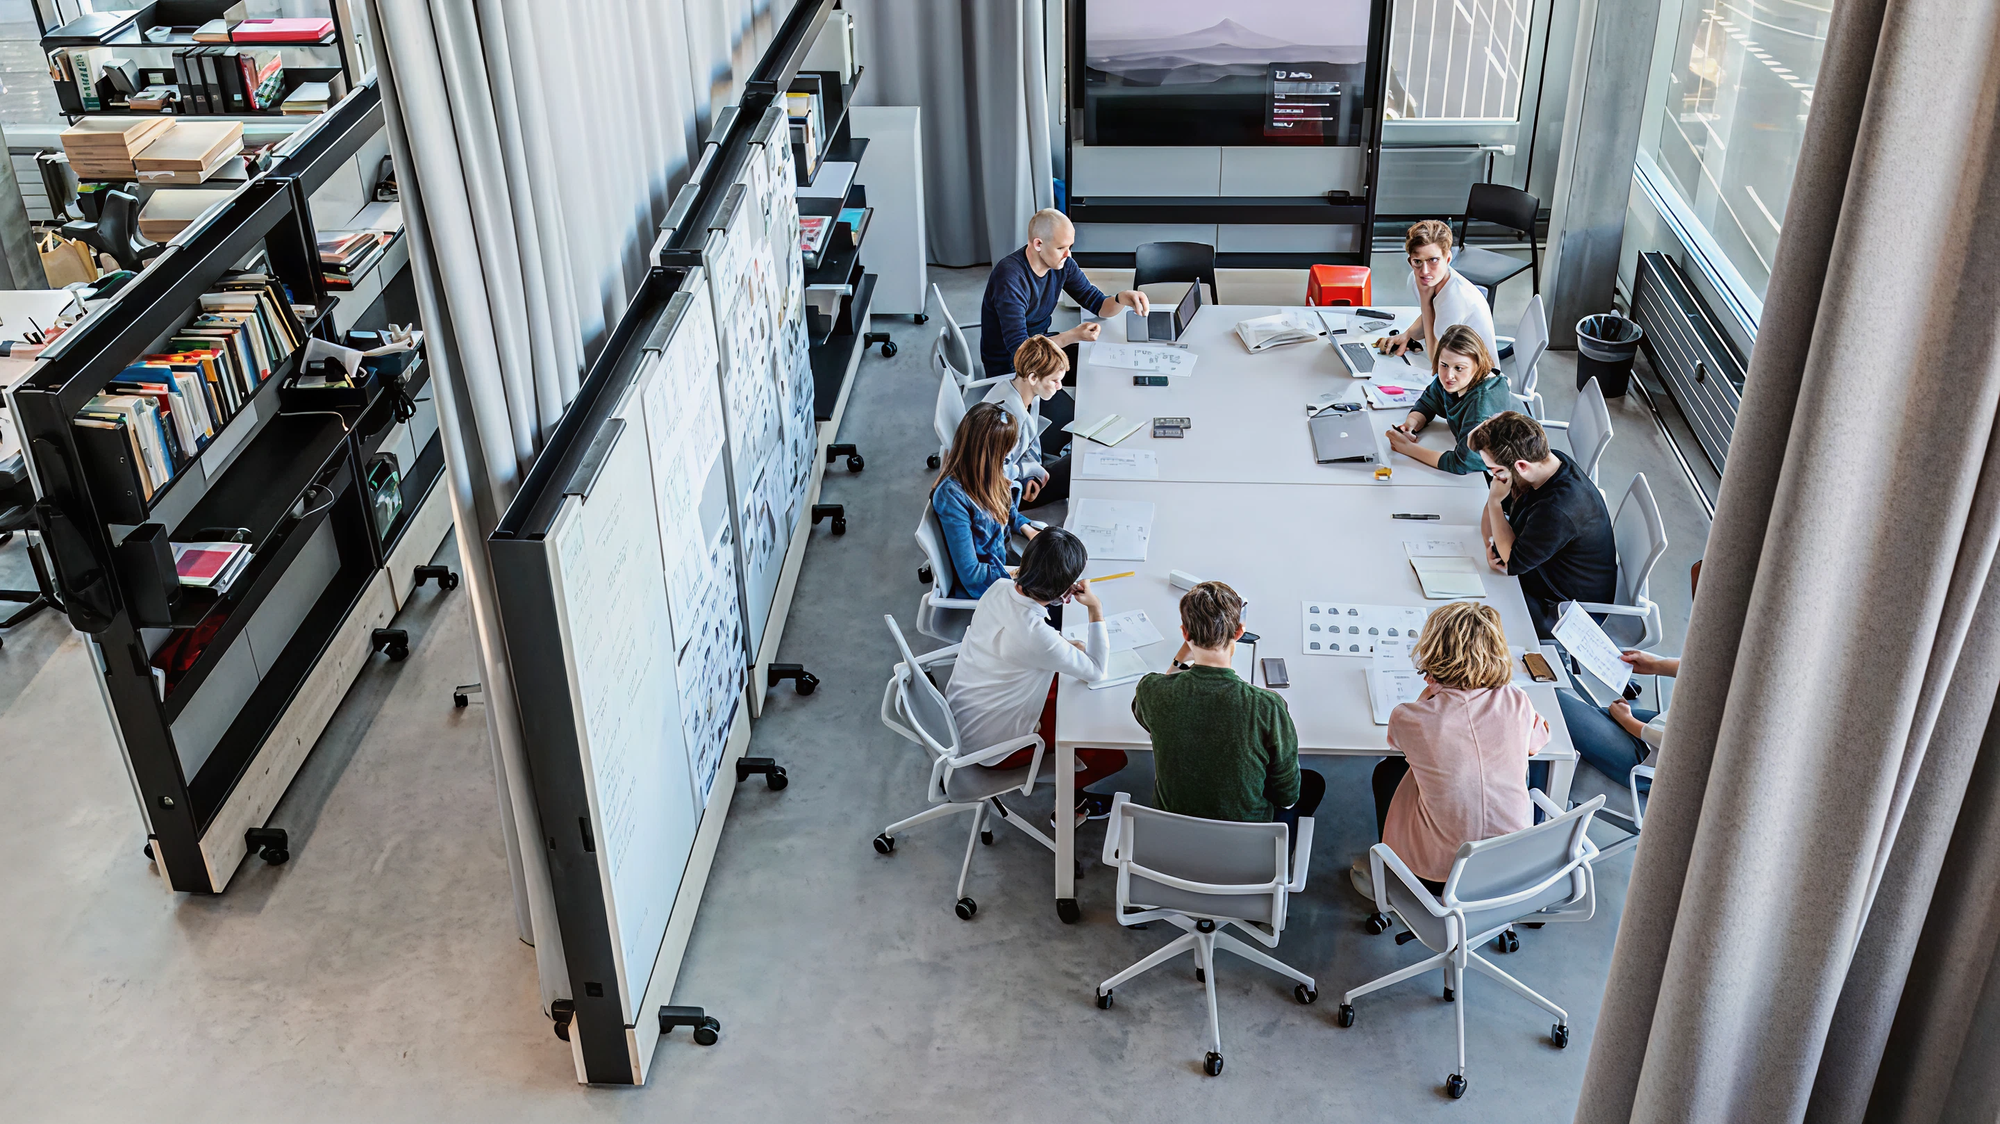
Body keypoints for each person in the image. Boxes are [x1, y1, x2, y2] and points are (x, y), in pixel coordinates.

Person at [1356, 601, 1551, 897]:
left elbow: (1397, 744)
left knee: (1389, 771)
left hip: (1435, 876)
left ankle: (1390, 869)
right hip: (1510, 869)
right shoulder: (1517, 700)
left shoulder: (1412, 718)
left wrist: (1430, 694)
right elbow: (1537, 742)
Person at [945, 528, 1126, 821]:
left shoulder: (998, 588)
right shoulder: (1036, 635)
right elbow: (1095, 670)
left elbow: (1017, 647)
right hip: (996, 748)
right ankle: (1072, 803)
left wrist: (1062, 644)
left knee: (1066, 689)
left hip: (964, 717)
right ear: (1063, 590)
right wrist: (1095, 608)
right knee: (1110, 753)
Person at [1132, 581, 1325, 844]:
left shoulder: (1152, 691)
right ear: (1239, 632)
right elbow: (1287, 796)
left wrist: (1180, 660)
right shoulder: (1266, 706)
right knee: (1313, 783)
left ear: (1184, 633)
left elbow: (1147, 711)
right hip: (1245, 847)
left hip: (1174, 839)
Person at [979, 208, 1148, 452]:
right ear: (1038, 244)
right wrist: (1072, 336)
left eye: (1070, 246)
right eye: (1061, 248)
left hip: (1042, 346)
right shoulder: (1010, 278)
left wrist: (1121, 298)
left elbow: (1097, 303)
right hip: (1015, 368)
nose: (1068, 254)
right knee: (1075, 428)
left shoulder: (1063, 264)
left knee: (1106, 366)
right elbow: (1022, 352)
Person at [1469, 411, 1617, 638]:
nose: (1495, 478)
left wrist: (1495, 501)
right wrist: (1492, 543)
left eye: (1497, 471)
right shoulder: (1548, 463)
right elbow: (1497, 545)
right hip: (1544, 574)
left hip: (1565, 610)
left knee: (1474, 621)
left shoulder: (1558, 509)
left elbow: (1510, 562)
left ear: (1521, 466)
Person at [1558, 560, 1697, 784]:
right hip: (1664, 725)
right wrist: (1657, 665)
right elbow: (1704, 671)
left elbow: (1684, 745)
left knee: (1553, 704)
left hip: (1654, 761)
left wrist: (1628, 722)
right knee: (1569, 710)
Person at [932, 402, 1042, 600]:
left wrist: (1030, 530)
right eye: (1005, 453)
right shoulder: (952, 497)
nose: (1008, 459)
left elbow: (1006, 510)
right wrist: (1024, 574)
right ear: (990, 455)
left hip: (1003, 561)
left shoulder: (989, 473)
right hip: (990, 583)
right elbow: (972, 575)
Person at [1385, 323, 1514, 474]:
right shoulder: (1457, 381)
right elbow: (1429, 402)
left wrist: (1408, 449)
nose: (1448, 376)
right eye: (1444, 365)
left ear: (1478, 365)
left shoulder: (1481, 407)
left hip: (1500, 475)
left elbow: (1462, 463)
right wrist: (1410, 425)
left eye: (1459, 368)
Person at [1378, 220, 1497, 361]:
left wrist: (1425, 300)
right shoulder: (1419, 279)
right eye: (1417, 261)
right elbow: (1434, 318)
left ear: (1448, 258)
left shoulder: (1456, 299)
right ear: (1410, 261)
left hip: (1473, 370)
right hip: (1452, 360)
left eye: (1433, 260)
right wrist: (1407, 335)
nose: (1424, 271)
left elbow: (1437, 360)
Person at [986, 335, 1070, 509]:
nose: (1059, 386)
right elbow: (996, 480)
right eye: (1054, 381)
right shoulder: (1004, 423)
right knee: (1074, 467)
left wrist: (1031, 471)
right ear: (1033, 378)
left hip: (1023, 469)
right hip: (1008, 495)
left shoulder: (1021, 391)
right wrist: (1025, 479)